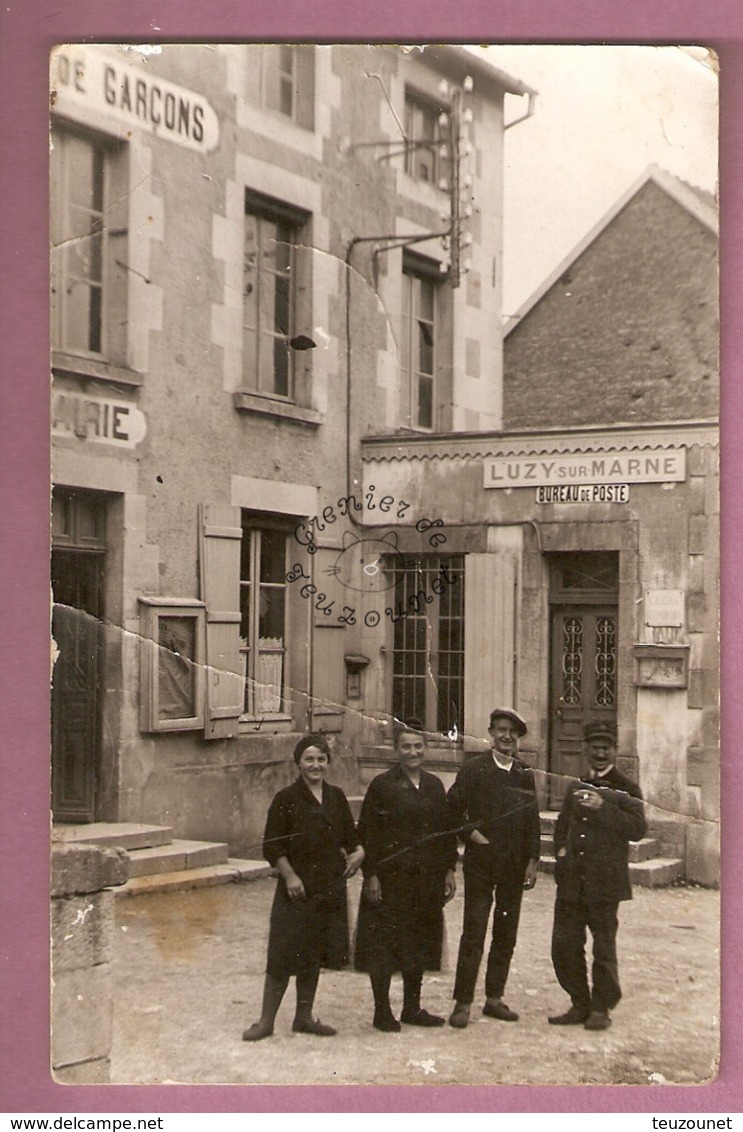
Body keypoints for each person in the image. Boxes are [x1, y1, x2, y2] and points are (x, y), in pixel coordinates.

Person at [242, 734, 364, 1041]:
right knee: (283, 952)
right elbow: (272, 846)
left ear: (328, 763)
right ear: (298, 763)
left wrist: (359, 853)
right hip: (296, 890)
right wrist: (290, 876)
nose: (315, 765)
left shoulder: (336, 797)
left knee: (314, 953)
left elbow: (352, 838)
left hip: (329, 888)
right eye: (309, 759)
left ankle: (304, 1017)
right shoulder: (286, 798)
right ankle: (266, 1021)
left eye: (321, 759)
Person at [354, 721, 458, 1031]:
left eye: (418, 746)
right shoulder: (382, 786)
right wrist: (370, 876)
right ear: (396, 750)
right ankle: (382, 1010)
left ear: (425, 749)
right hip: (390, 880)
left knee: (419, 941)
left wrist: (449, 870)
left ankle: (412, 1007)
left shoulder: (435, 785)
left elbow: (446, 833)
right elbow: (367, 834)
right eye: (406, 747)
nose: (413, 752)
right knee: (384, 942)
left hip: (425, 879)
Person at [548, 720, 646, 1031]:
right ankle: (580, 1003)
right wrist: (560, 854)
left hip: (604, 884)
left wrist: (604, 806)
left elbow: (637, 829)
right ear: (585, 749)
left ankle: (601, 1007)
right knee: (564, 945)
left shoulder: (628, 788)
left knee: (603, 948)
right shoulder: (576, 784)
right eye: (595, 747)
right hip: (572, 882)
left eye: (606, 747)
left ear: (615, 750)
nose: (600, 753)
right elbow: (562, 826)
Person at [446, 707, 541, 1029]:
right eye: (501, 730)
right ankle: (463, 1002)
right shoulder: (474, 770)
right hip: (481, 865)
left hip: (513, 867)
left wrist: (533, 860)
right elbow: (452, 810)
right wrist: (470, 833)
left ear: (518, 738)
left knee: (505, 932)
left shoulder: (524, 774)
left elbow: (532, 820)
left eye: (512, 732)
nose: (506, 737)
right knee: (474, 931)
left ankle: (494, 998)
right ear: (490, 732)